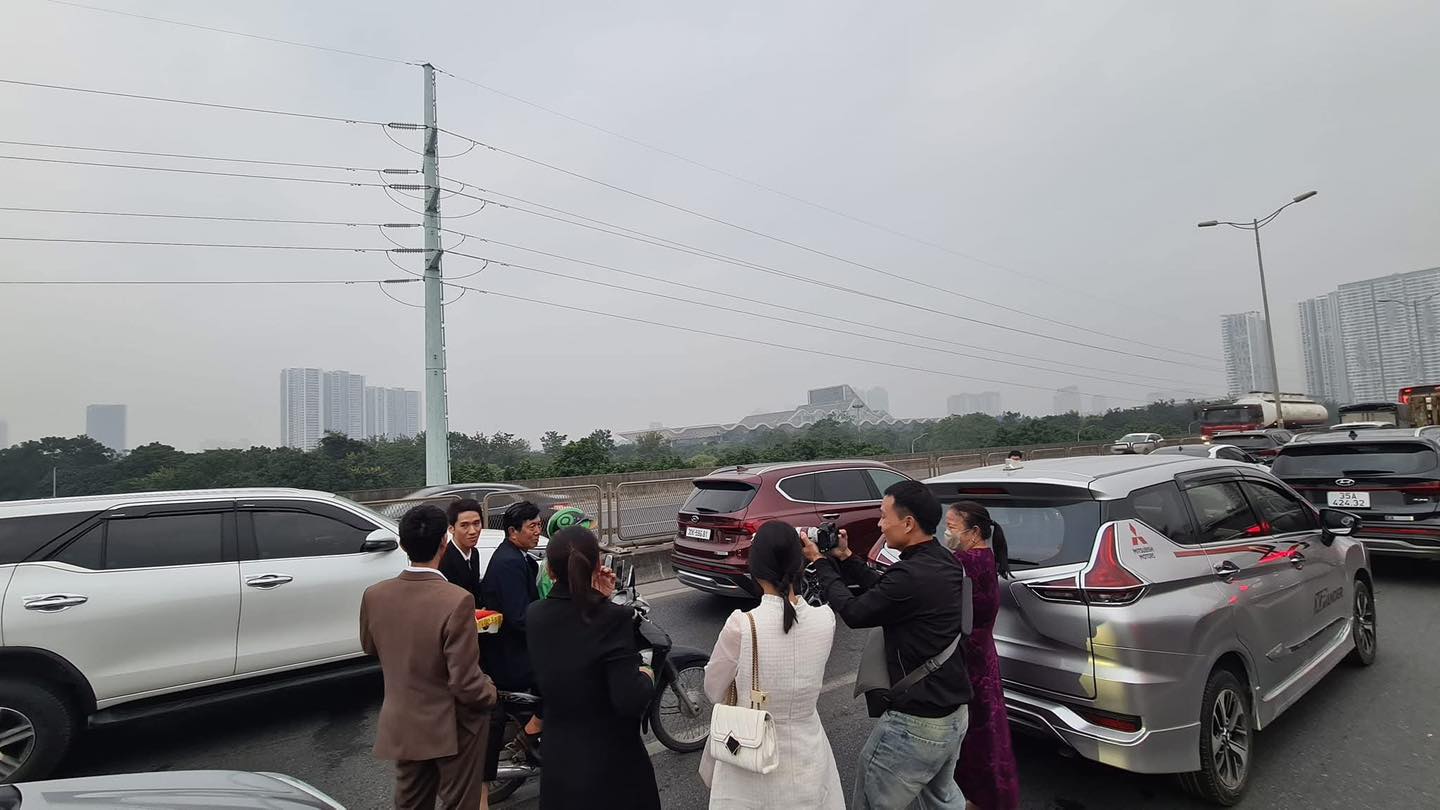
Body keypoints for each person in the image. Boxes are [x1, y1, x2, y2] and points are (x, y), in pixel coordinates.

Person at [803, 480, 971, 810]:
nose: (880, 524)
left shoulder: (911, 574)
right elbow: (887, 589)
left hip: (917, 724)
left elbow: (854, 612)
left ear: (908, 523)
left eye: (883, 516)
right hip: (953, 715)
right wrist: (845, 557)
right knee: (942, 798)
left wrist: (820, 563)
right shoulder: (942, 560)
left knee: (872, 801)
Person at [360, 504, 498, 810]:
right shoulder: (457, 600)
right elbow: (465, 683)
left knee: (411, 802)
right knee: (460, 801)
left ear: (403, 545)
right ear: (444, 543)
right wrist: (490, 692)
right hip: (452, 724)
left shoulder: (374, 595)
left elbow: (370, 647)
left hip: (403, 718)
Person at [702, 521, 845, 810]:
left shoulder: (742, 626)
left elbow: (713, 690)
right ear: (800, 564)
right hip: (809, 753)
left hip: (750, 754)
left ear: (754, 567)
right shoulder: (825, 619)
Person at [526, 526, 662, 810]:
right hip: (611, 765)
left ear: (549, 571)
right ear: (598, 565)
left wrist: (601, 599)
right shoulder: (613, 619)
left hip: (559, 760)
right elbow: (629, 700)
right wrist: (646, 674)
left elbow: (575, 654)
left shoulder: (535, 615)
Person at [944, 502, 1020, 810]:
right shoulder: (985, 557)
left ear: (974, 532)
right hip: (984, 655)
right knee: (989, 731)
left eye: (951, 526)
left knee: (974, 736)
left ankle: (976, 798)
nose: (946, 532)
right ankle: (988, 796)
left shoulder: (965, 562)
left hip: (969, 660)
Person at [479, 500, 544, 771]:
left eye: (539, 525)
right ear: (512, 532)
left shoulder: (516, 556)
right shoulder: (509, 563)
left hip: (511, 646)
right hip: (510, 655)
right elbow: (519, 617)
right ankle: (530, 733)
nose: (537, 531)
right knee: (561, 677)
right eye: (531, 527)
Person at [440, 498, 485, 604]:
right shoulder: (443, 559)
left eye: (476, 523)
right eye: (464, 525)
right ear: (451, 529)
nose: (473, 531)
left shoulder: (474, 553)